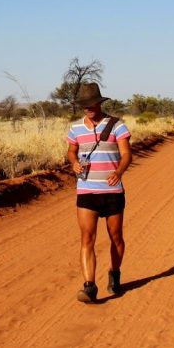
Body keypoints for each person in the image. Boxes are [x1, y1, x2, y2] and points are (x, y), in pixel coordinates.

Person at [66, 82, 132, 303]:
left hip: (112, 191)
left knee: (116, 237)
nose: (87, 108)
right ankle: (89, 286)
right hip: (86, 190)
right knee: (87, 238)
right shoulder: (75, 128)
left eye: (90, 104)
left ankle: (115, 273)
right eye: (83, 105)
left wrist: (119, 171)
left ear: (99, 103)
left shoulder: (117, 126)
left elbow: (126, 154)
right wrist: (74, 163)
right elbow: (71, 151)